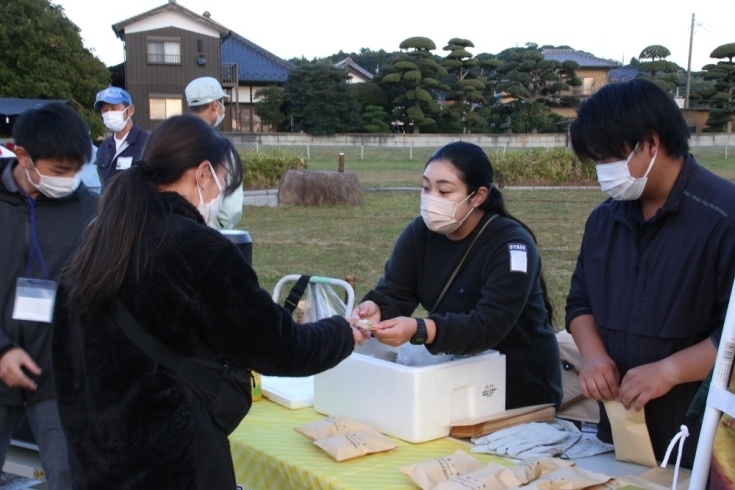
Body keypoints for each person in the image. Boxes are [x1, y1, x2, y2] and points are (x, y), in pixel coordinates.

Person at [51, 115, 366, 489]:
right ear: (202, 174)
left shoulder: (99, 239)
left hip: (96, 458)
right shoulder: (195, 248)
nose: (220, 196)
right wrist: (343, 332)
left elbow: (63, 351)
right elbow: (280, 346)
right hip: (170, 463)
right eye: (222, 183)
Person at [565, 78, 735, 468]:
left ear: (652, 143)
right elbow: (580, 302)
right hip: (622, 428)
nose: (603, 171)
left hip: (698, 433)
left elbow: (732, 335)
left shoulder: (724, 217)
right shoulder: (605, 220)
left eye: (609, 157)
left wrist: (670, 370)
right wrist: (592, 357)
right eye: (596, 161)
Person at [353, 141, 563, 410]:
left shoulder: (513, 246)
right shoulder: (420, 233)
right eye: (426, 188)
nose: (431, 199)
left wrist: (421, 329)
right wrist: (377, 309)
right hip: (459, 383)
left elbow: (490, 324)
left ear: (478, 196)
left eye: (444, 191)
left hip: (519, 391)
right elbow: (395, 290)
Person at [0, 103, 99, 489]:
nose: (70, 180)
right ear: (22, 155)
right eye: (60, 171)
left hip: (60, 377)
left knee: (69, 476)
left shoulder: (91, 210)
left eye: (77, 170)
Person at [185, 76, 244, 229]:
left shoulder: (174, 141)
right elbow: (232, 208)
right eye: (222, 102)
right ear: (215, 105)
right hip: (211, 233)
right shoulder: (220, 147)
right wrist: (219, 226)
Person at [93, 86, 149, 186]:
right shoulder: (103, 148)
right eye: (105, 110)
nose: (109, 114)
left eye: (114, 109)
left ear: (130, 110)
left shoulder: (148, 143)